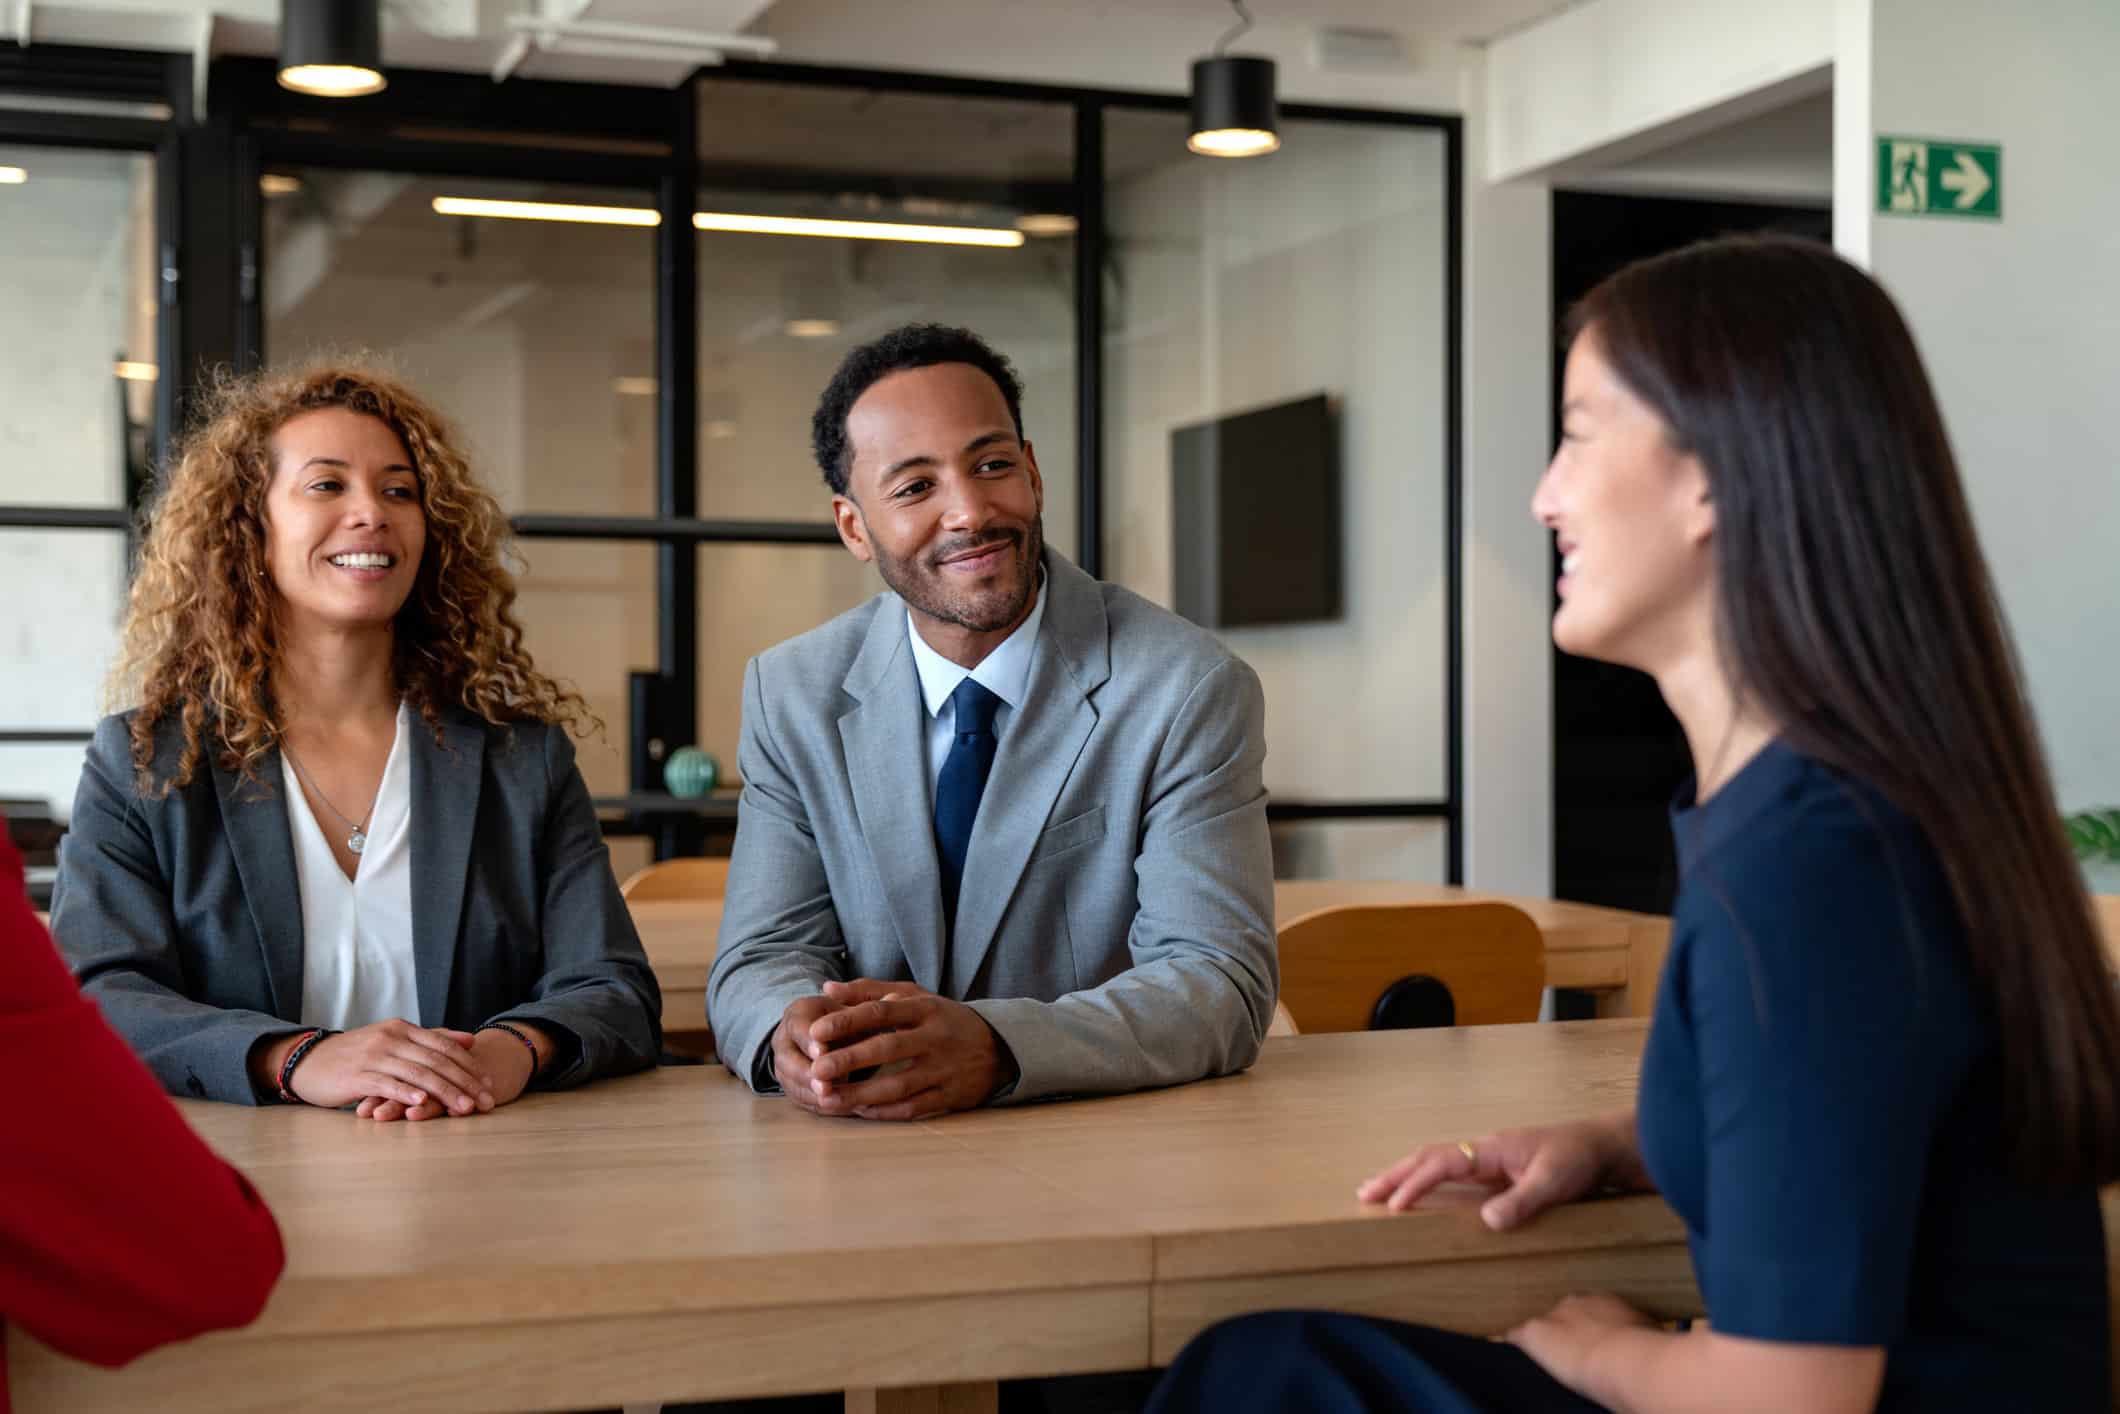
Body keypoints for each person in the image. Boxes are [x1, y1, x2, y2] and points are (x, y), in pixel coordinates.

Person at [1148, 236, 2119, 1412]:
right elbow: (1851, 1105)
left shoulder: (1810, 861)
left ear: (1711, 473)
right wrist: (1621, 1145)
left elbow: (1787, 1398)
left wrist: (1599, 1346)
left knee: (1264, 1378)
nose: (1542, 494)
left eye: (1576, 431)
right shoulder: (1821, 804)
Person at [52, 363, 661, 1116]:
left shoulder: (520, 760)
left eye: (399, 490)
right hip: (242, 1172)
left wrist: (511, 1052)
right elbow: (101, 996)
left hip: (482, 1163)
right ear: (251, 526)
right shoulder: (147, 762)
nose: (371, 512)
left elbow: (614, 988)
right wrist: (296, 1057)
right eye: (327, 485)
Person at [707, 323, 1277, 1119]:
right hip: (859, 1159)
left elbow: (1219, 985)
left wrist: (996, 1046)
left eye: (992, 465)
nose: (970, 512)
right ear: (853, 528)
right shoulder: (791, 691)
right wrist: (788, 1035)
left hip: (1109, 1151)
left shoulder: (1187, 687)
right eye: (915, 488)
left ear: (1033, 472)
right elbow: (759, 959)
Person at [2, 822, 284, 1411]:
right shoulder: (139, 757)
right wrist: (283, 1054)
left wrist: (522, 1040)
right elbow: (203, 1264)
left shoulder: (521, 752)